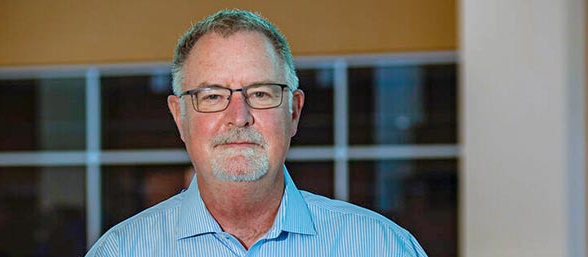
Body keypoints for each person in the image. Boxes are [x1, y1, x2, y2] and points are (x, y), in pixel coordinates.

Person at [85, 9, 427, 256]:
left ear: (293, 112)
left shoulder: (382, 246)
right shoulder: (120, 250)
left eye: (261, 94)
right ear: (180, 117)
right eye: (213, 96)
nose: (239, 117)